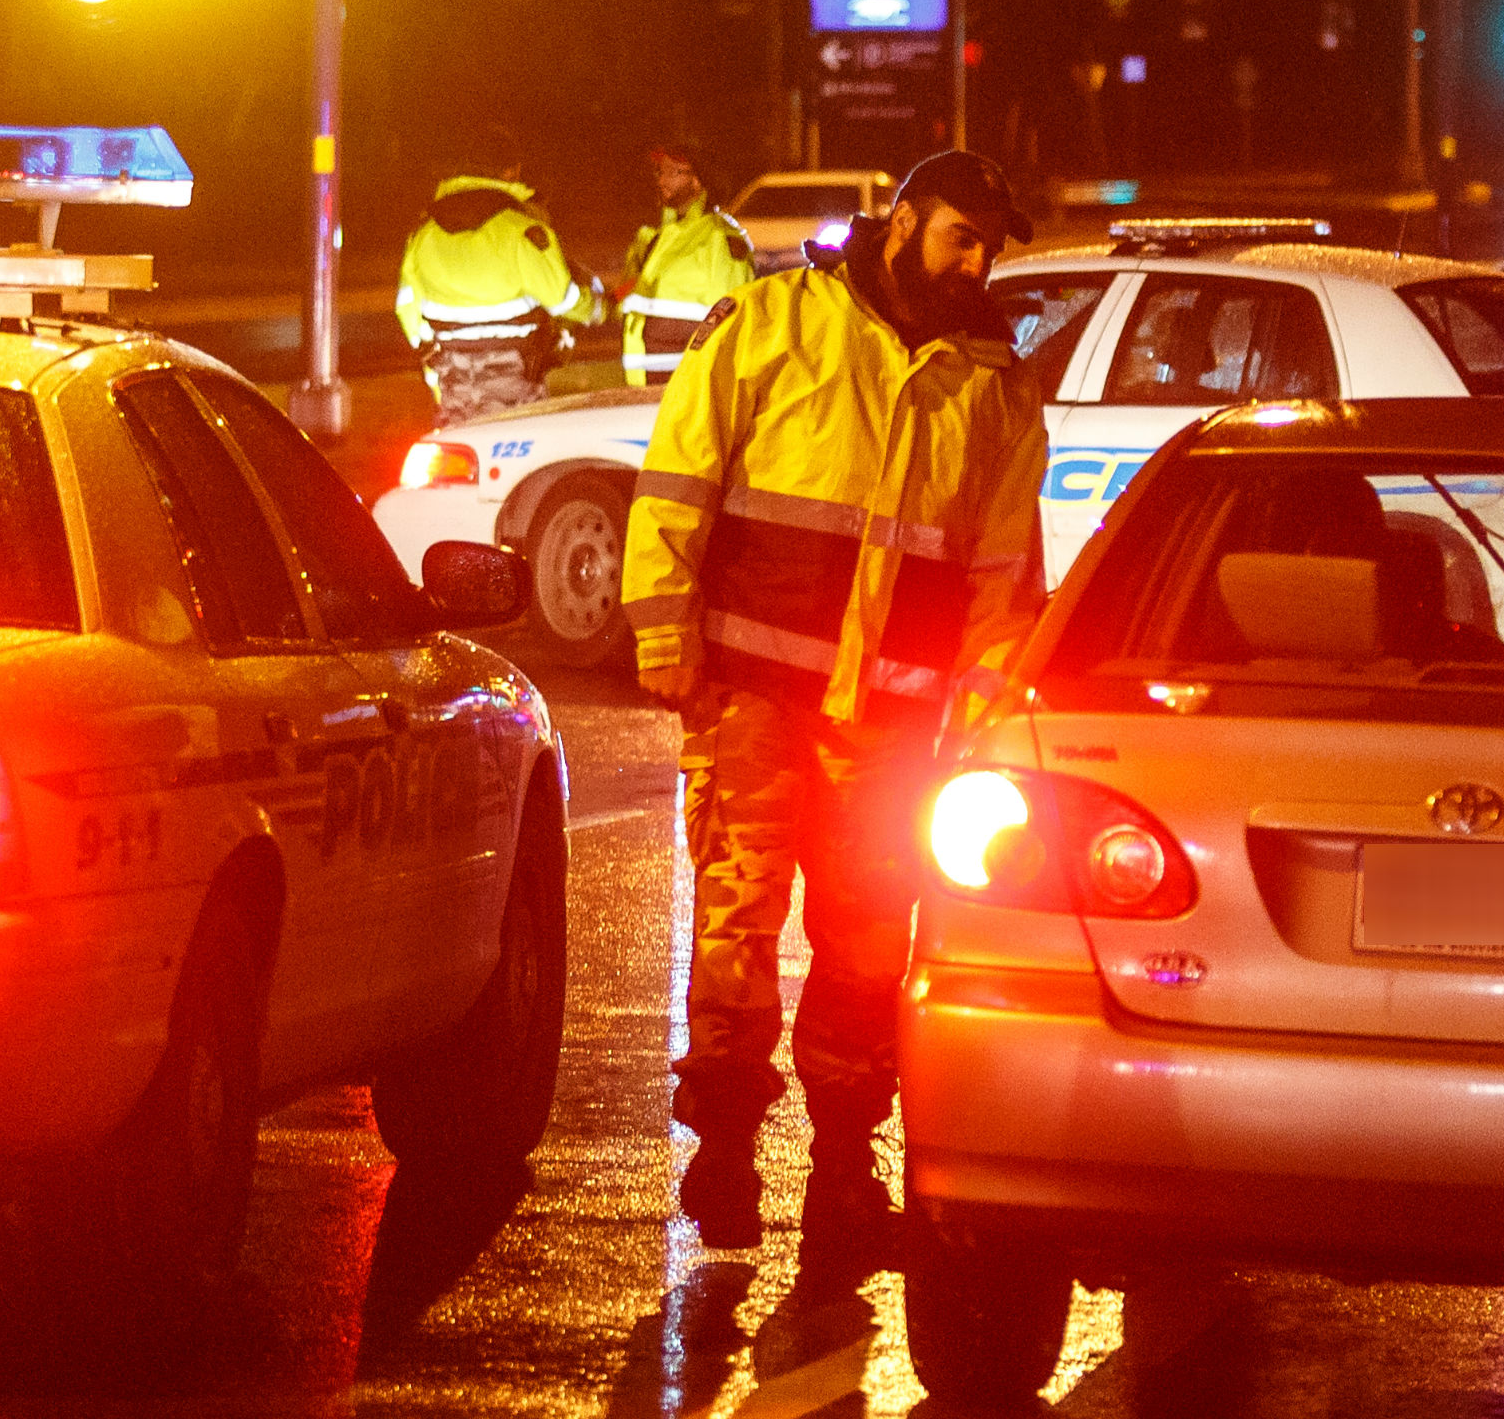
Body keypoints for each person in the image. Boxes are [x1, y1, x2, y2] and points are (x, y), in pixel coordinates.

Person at [619, 149, 1049, 1255]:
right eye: (962, 234)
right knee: (735, 926)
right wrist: (662, 630)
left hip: (895, 730)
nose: (979, 259)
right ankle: (722, 1158)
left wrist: (987, 705)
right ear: (903, 222)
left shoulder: (992, 384)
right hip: (756, 699)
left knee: (866, 949)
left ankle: (843, 1171)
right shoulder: (773, 322)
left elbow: (1004, 576)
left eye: (991, 244)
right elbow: (677, 479)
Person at [394, 140, 598, 423]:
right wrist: (598, 308)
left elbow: (406, 306)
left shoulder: (423, 235)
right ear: (511, 172)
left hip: (454, 381)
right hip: (516, 380)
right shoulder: (524, 231)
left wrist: (431, 350)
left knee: (460, 448)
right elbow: (563, 301)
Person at [605, 141, 756, 388]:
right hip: (646, 380)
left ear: (696, 181)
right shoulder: (658, 236)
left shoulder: (719, 237)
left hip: (686, 379)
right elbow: (634, 293)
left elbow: (732, 311)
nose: (661, 179)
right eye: (659, 171)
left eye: (672, 172)